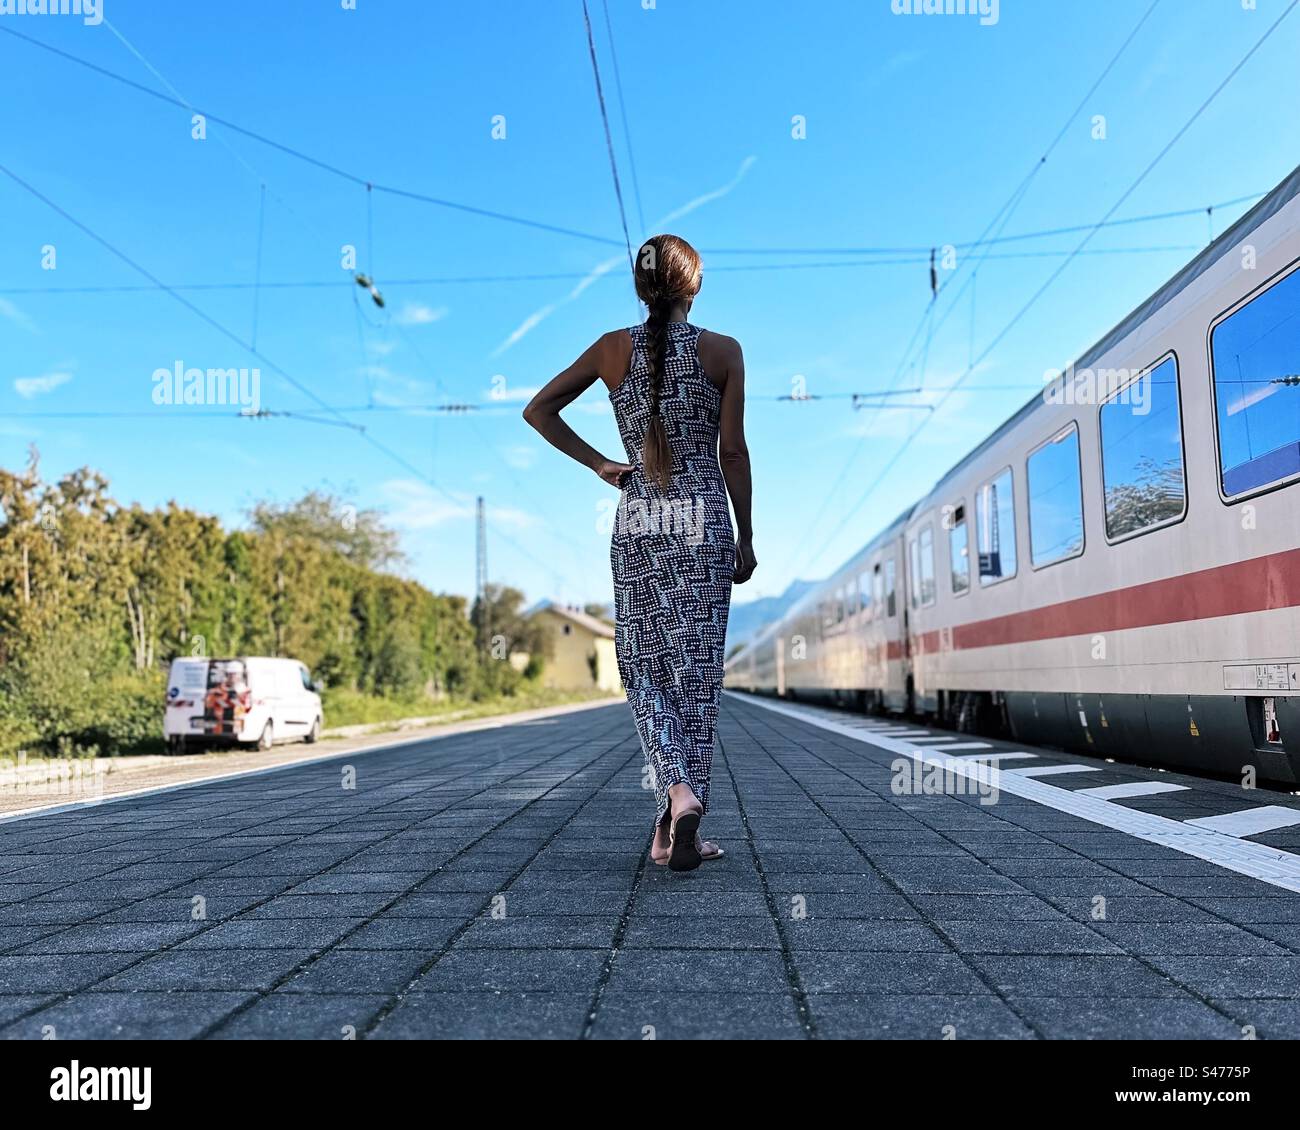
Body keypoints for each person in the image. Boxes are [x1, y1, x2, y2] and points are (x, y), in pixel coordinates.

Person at [524, 234, 755, 872]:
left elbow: (537, 410)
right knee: (696, 675)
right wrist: (747, 534)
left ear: (638, 286)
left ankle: (672, 810)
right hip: (705, 519)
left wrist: (601, 462)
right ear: (694, 286)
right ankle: (686, 797)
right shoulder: (725, 352)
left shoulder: (609, 349)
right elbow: (732, 452)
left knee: (642, 665)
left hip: (641, 517)